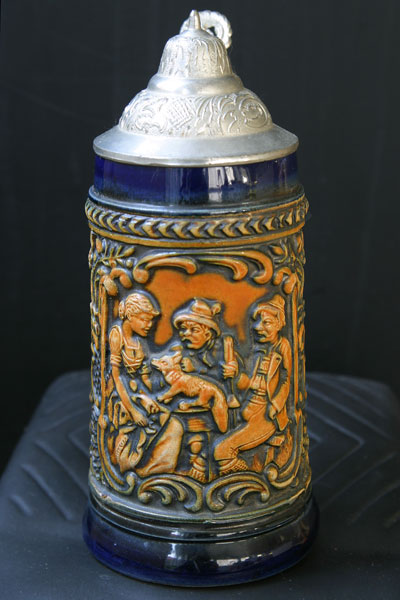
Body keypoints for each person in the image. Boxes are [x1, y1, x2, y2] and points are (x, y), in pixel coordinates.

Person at [214, 294, 292, 475]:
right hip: (249, 410)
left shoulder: (283, 347)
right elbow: (248, 384)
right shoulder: (257, 352)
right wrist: (234, 374)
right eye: (257, 322)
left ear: (279, 324)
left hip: (267, 416)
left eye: (266, 323)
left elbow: (287, 379)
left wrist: (276, 405)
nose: (257, 327)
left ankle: (243, 482)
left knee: (222, 450)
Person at [106, 291, 183, 475]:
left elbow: (145, 380)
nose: (149, 325)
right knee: (145, 424)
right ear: (130, 316)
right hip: (121, 398)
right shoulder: (117, 335)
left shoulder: (139, 342)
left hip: (137, 394)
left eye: (150, 321)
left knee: (172, 423)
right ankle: (129, 466)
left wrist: (163, 387)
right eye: (144, 320)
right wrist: (134, 410)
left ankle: (157, 469)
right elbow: (116, 377)